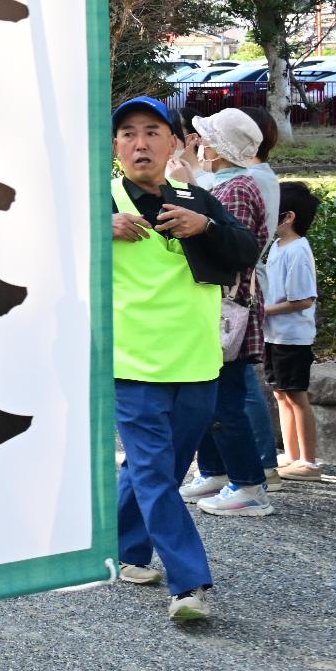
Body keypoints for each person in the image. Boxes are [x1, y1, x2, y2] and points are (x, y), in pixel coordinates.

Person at [109, 96, 258, 623]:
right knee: (152, 471)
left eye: (152, 130)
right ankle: (189, 583)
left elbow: (247, 250)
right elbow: (43, 250)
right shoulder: (97, 204)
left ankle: (124, 553)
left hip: (197, 361)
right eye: (128, 132)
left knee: (163, 471)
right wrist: (99, 231)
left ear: (174, 143)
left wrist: (206, 228)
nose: (140, 141)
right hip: (131, 363)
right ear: (115, 147)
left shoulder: (197, 199)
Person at [182, 110, 277, 520]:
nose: (201, 145)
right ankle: (218, 471)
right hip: (221, 308)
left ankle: (249, 485)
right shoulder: (230, 184)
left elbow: (232, 250)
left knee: (226, 401)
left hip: (227, 311)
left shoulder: (236, 189)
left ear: (220, 149)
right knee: (210, 398)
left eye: (206, 139)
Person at [264, 181, 322, 480]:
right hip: (274, 333)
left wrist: (264, 310)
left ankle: (309, 462)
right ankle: (292, 455)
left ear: (289, 217)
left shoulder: (298, 250)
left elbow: (303, 299)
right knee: (281, 394)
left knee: (296, 394)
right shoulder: (277, 246)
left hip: (293, 336)